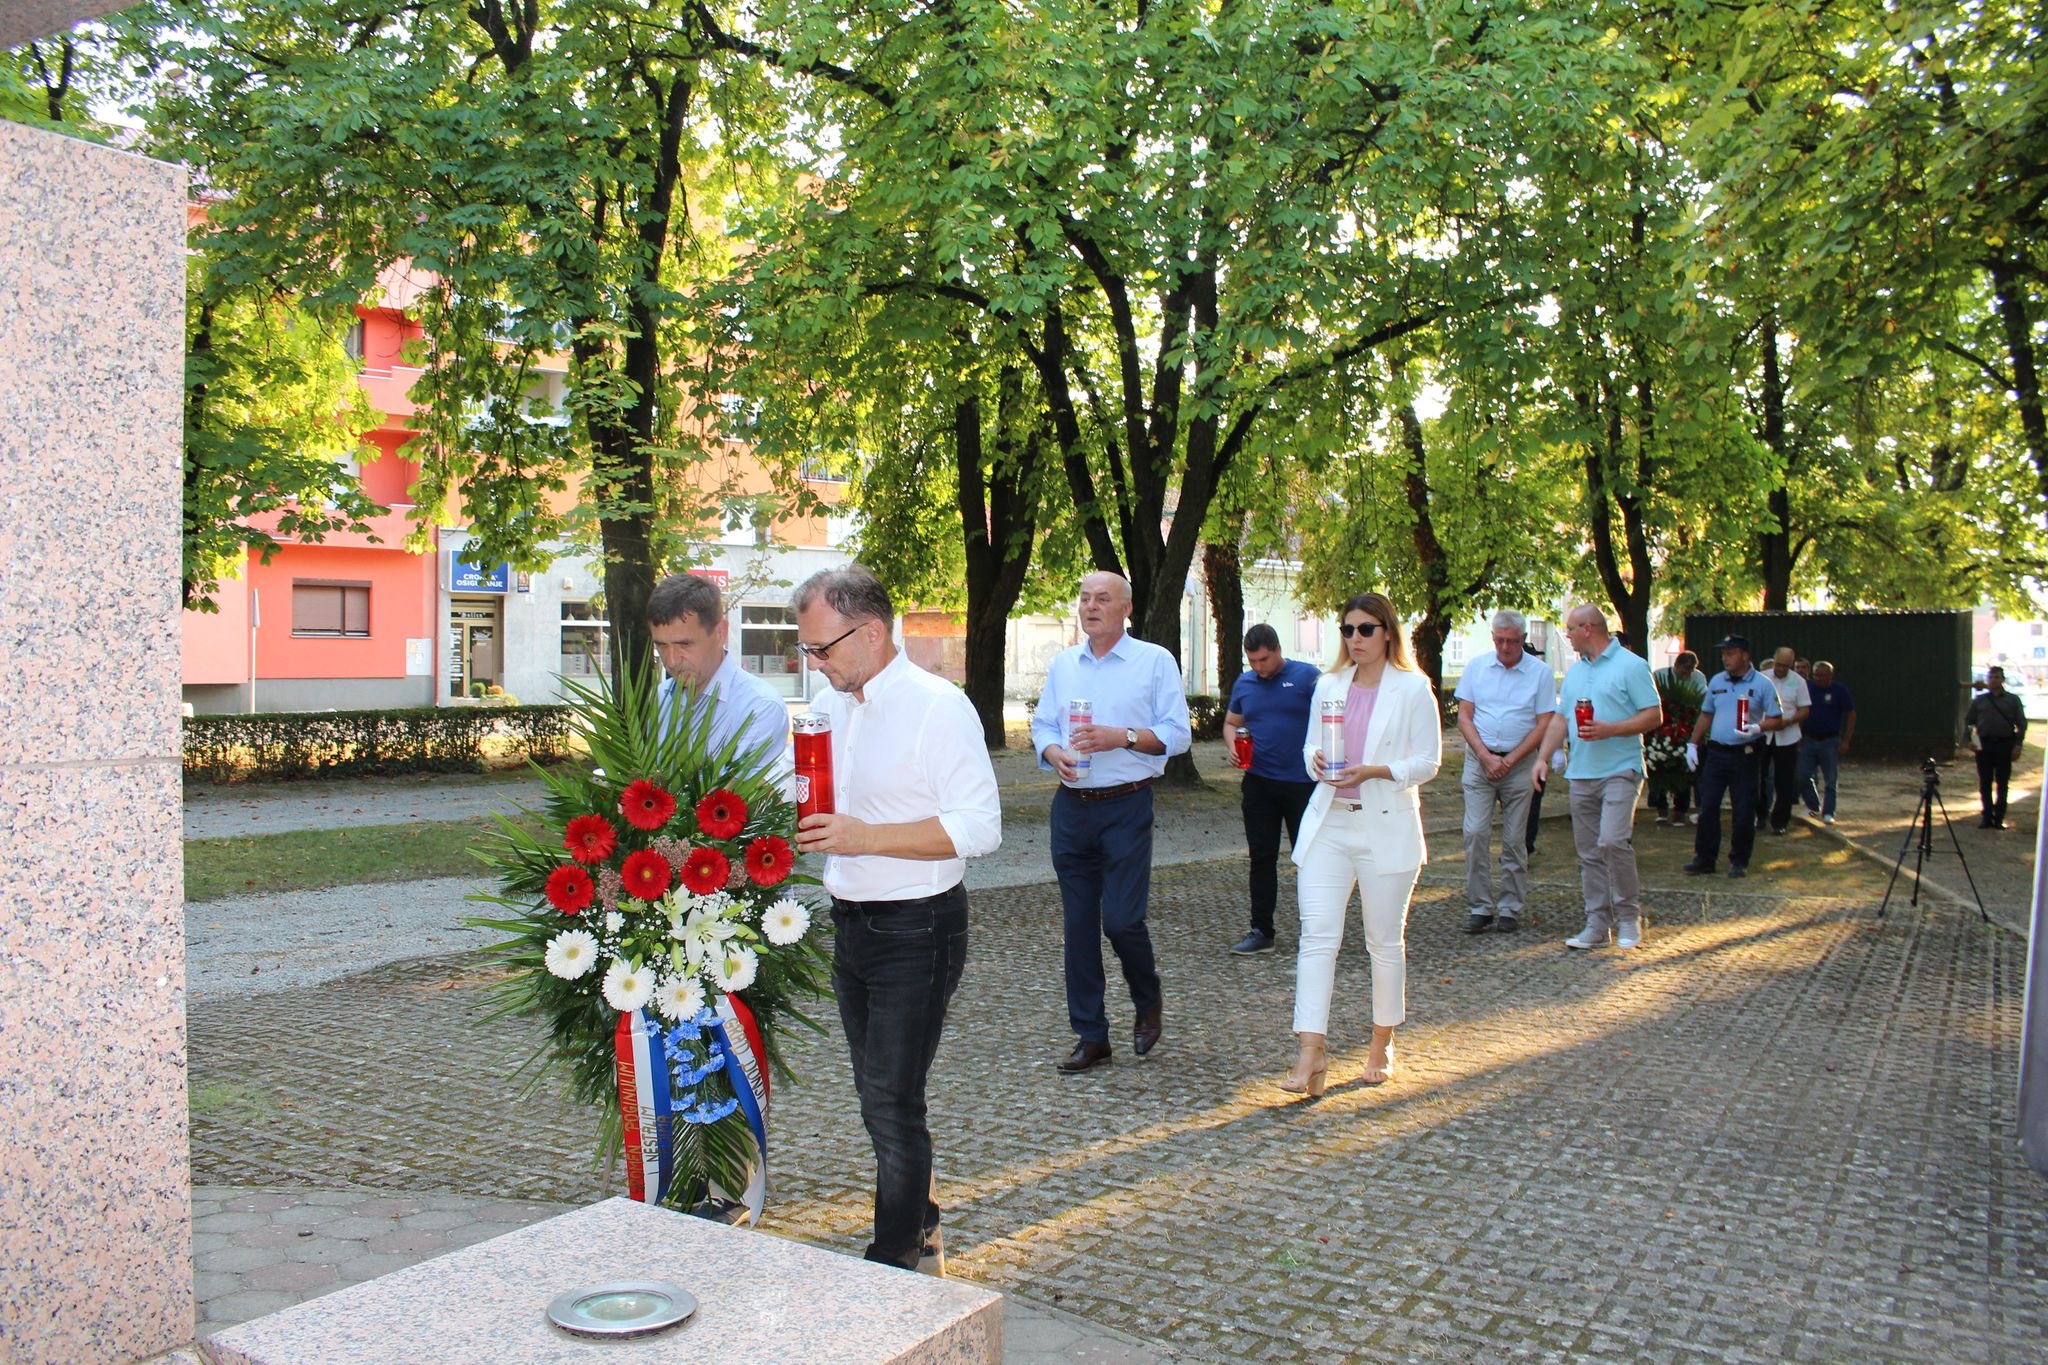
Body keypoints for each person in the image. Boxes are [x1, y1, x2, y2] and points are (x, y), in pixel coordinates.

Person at [790, 565, 1002, 1276]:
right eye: (808, 651)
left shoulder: (938, 706)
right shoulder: (834, 704)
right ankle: (925, 1228)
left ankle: (893, 1261)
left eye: (822, 648)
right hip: (850, 922)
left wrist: (862, 837)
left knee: (890, 1097)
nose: (813, 663)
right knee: (877, 1095)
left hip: (920, 925)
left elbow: (980, 826)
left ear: (872, 631)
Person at [1031, 571, 1192, 1074]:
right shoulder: (1063, 664)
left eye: (1102, 599)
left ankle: (1147, 997)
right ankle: (1091, 1035)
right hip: (1071, 806)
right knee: (1078, 927)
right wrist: (1053, 751)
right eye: (1083, 598)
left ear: (1126, 608)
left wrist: (1119, 736)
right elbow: (1042, 725)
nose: (1090, 607)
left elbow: (1178, 735)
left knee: (1121, 920)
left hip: (1126, 805)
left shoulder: (1153, 661)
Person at [1281, 591, 1440, 1096]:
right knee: (1317, 938)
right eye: (1347, 630)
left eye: (1365, 629)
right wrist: (1317, 764)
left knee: (1383, 943)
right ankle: (1310, 1052)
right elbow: (1310, 746)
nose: (1355, 639)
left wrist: (1377, 771)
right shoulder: (1328, 684)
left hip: (1386, 828)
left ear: (1388, 632)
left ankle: (1381, 1042)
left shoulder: (1414, 690)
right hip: (1329, 824)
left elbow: (1429, 762)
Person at [1530, 605, 1661, 949]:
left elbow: (1653, 715)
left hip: (1621, 768)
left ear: (1588, 628)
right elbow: (1561, 719)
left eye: (1570, 629)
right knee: (1588, 851)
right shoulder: (1575, 673)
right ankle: (1597, 924)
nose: (1567, 635)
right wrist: (1542, 758)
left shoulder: (1632, 666)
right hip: (1581, 773)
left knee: (1612, 841)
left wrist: (1611, 729)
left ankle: (1629, 918)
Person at [1453, 610, 1554, 934]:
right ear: (1493, 638)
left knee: (1514, 839)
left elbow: (1544, 724)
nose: (1505, 647)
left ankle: (1510, 906)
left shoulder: (1539, 672)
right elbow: (1464, 717)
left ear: (1523, 640)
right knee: (1475, 833)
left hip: (1519, 762)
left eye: (1512, 641)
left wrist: (1509, 761)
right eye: (1499, 640)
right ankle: (1480, 906)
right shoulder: (1477, 667)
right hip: (1480, 761)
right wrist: (1485, 757)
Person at [1222, 624, 1319, 955]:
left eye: (1263, 659)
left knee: (1308, 857)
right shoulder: (1245, 683)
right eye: (1252, 661)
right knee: (1261, 857)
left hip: (1303, 784)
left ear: (1278, 650)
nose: (1258, 668)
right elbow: (1232, 722)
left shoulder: (1307, 677)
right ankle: (1261, 930)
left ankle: (1317, 929)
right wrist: (1232, 746)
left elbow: (1333, 717)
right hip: (1259, 783)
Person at [648, 572, 793, 790]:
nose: (671, 660)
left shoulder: (760, 707)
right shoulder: (661, 696)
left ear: (720, 632)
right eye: (661, 646)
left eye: (684, 645)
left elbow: (735, 806)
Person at [1682, 635, 1784, 879]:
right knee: (1707, 807)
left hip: (1745, 755)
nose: (1725, 658)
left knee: (1743, 810)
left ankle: (1739, 860)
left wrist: (1758, 728)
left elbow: (1777, 718)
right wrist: (1693, 744)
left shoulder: (1762, 684)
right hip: (1717, 753)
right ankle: (1705, 858)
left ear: (1745, 655)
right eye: (1724, 653)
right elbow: (1706, 714)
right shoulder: (1717, 680)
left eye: (1731, 653)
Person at [1755, 646, 1811, 836]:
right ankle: (1759, 816)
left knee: (1785, 780)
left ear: (1791, 664)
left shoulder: (1798, 682)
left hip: (1787, 736)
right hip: (1762, 734)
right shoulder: (1761, 677)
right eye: (1778, 664)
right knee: (1758, 777)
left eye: (1785, 666)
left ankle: (1780, 821)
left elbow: (1804, 709)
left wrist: (1787, 722)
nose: (1780, 669)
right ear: (1774, 660)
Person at [1965, 666, 2028, 829]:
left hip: (2004, 744)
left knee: (2002, 782)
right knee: (1985, 782)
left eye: (1997, 677)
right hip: (1984, 745)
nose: (1994, 680)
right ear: (1987, 680)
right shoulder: (1979, 701)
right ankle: (1986, 816)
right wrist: (1972, 741)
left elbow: (2021, 724)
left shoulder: (2012, 700)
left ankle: (1999, 818)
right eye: (1991, 677)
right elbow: (1970, 722)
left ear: (2003, 680)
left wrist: (2018, 745)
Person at [1650, 651, 1706, 825]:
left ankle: (1680, 810)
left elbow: (1702, 701)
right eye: (1683, 669)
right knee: (1657, 765)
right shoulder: (1659, 675)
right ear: (1676, 665)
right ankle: (1661, 808)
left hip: (1687, 727)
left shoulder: (1698, 678)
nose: (1686, 674)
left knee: (1685, 769)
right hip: (1661, 727)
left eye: (1690, 670)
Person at [1798, 661, 1856, 824]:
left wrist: (1846, 740)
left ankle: (1829, 812)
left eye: (1821, 675)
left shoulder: (1839, 690)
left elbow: (1851, 714)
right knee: (1802, 775)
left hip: (1830, 740)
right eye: (1815, 674)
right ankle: (1813, 806)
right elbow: (1800, 711)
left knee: (1830, 779)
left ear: (1830, 676)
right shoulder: (1807, 688)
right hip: (1809, 739)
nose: (1818, 678)